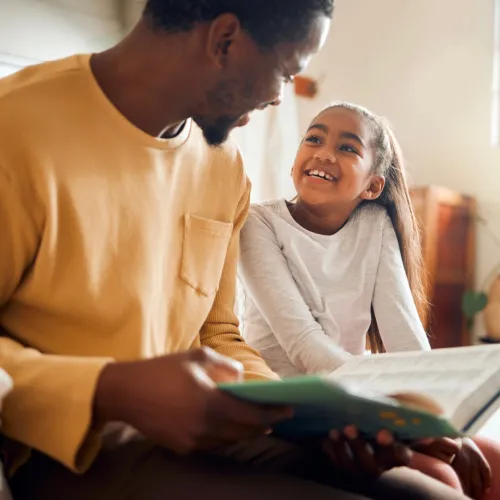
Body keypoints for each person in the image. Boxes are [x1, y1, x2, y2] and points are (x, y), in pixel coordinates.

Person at [0, 0, 469, 497]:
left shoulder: (223, 168)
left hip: (203, 433)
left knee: (433, 493)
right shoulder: (18, 129)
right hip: (69, 452)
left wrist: (309, 417)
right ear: (224, 41)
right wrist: (109, 391)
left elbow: (218, 333)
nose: (276, 98)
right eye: (286, 73)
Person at [238, 101, 500, 499]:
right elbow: (304, 344)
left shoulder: (374, 225)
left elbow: (407, 340)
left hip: (361, 399)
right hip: (297, 409)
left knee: (491, 459)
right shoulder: (257, 223)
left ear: (372, 186)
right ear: (295, 161)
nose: (324, 152)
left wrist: (440, 421)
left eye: (347, 148)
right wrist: (399, 417)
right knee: (442, 479)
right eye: (314, 138)